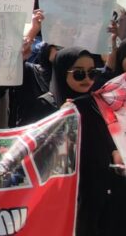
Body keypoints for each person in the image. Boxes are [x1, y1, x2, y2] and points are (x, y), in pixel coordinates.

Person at [50, 47, 125, 235]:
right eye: (79, 74)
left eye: (92, 73)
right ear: (62, 73)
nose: (87, 79)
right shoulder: (48, 105)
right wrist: (62, 119)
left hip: (107, 190)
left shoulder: (98, 101)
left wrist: (115, 152)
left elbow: (110, 134)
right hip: (74, 192)